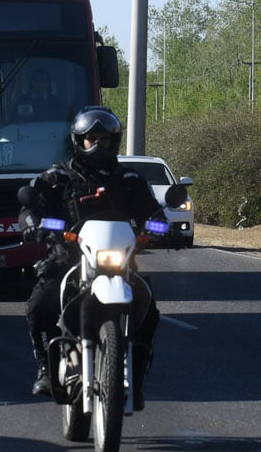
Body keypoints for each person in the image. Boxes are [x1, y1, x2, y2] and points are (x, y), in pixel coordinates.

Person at [19, 106, 164, 399]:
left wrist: (161, 227)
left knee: (149, 309)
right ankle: (46, 369)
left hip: (119, 262)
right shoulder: (57, 178)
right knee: (39, 304)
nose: (98, 145)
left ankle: (137, 375)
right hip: (68, 257)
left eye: (105, 139)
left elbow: (154, 212)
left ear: (115, 141)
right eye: (90, 138)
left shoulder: (130, 180)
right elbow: (29, 206)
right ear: (77, 140)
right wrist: (32, 223)